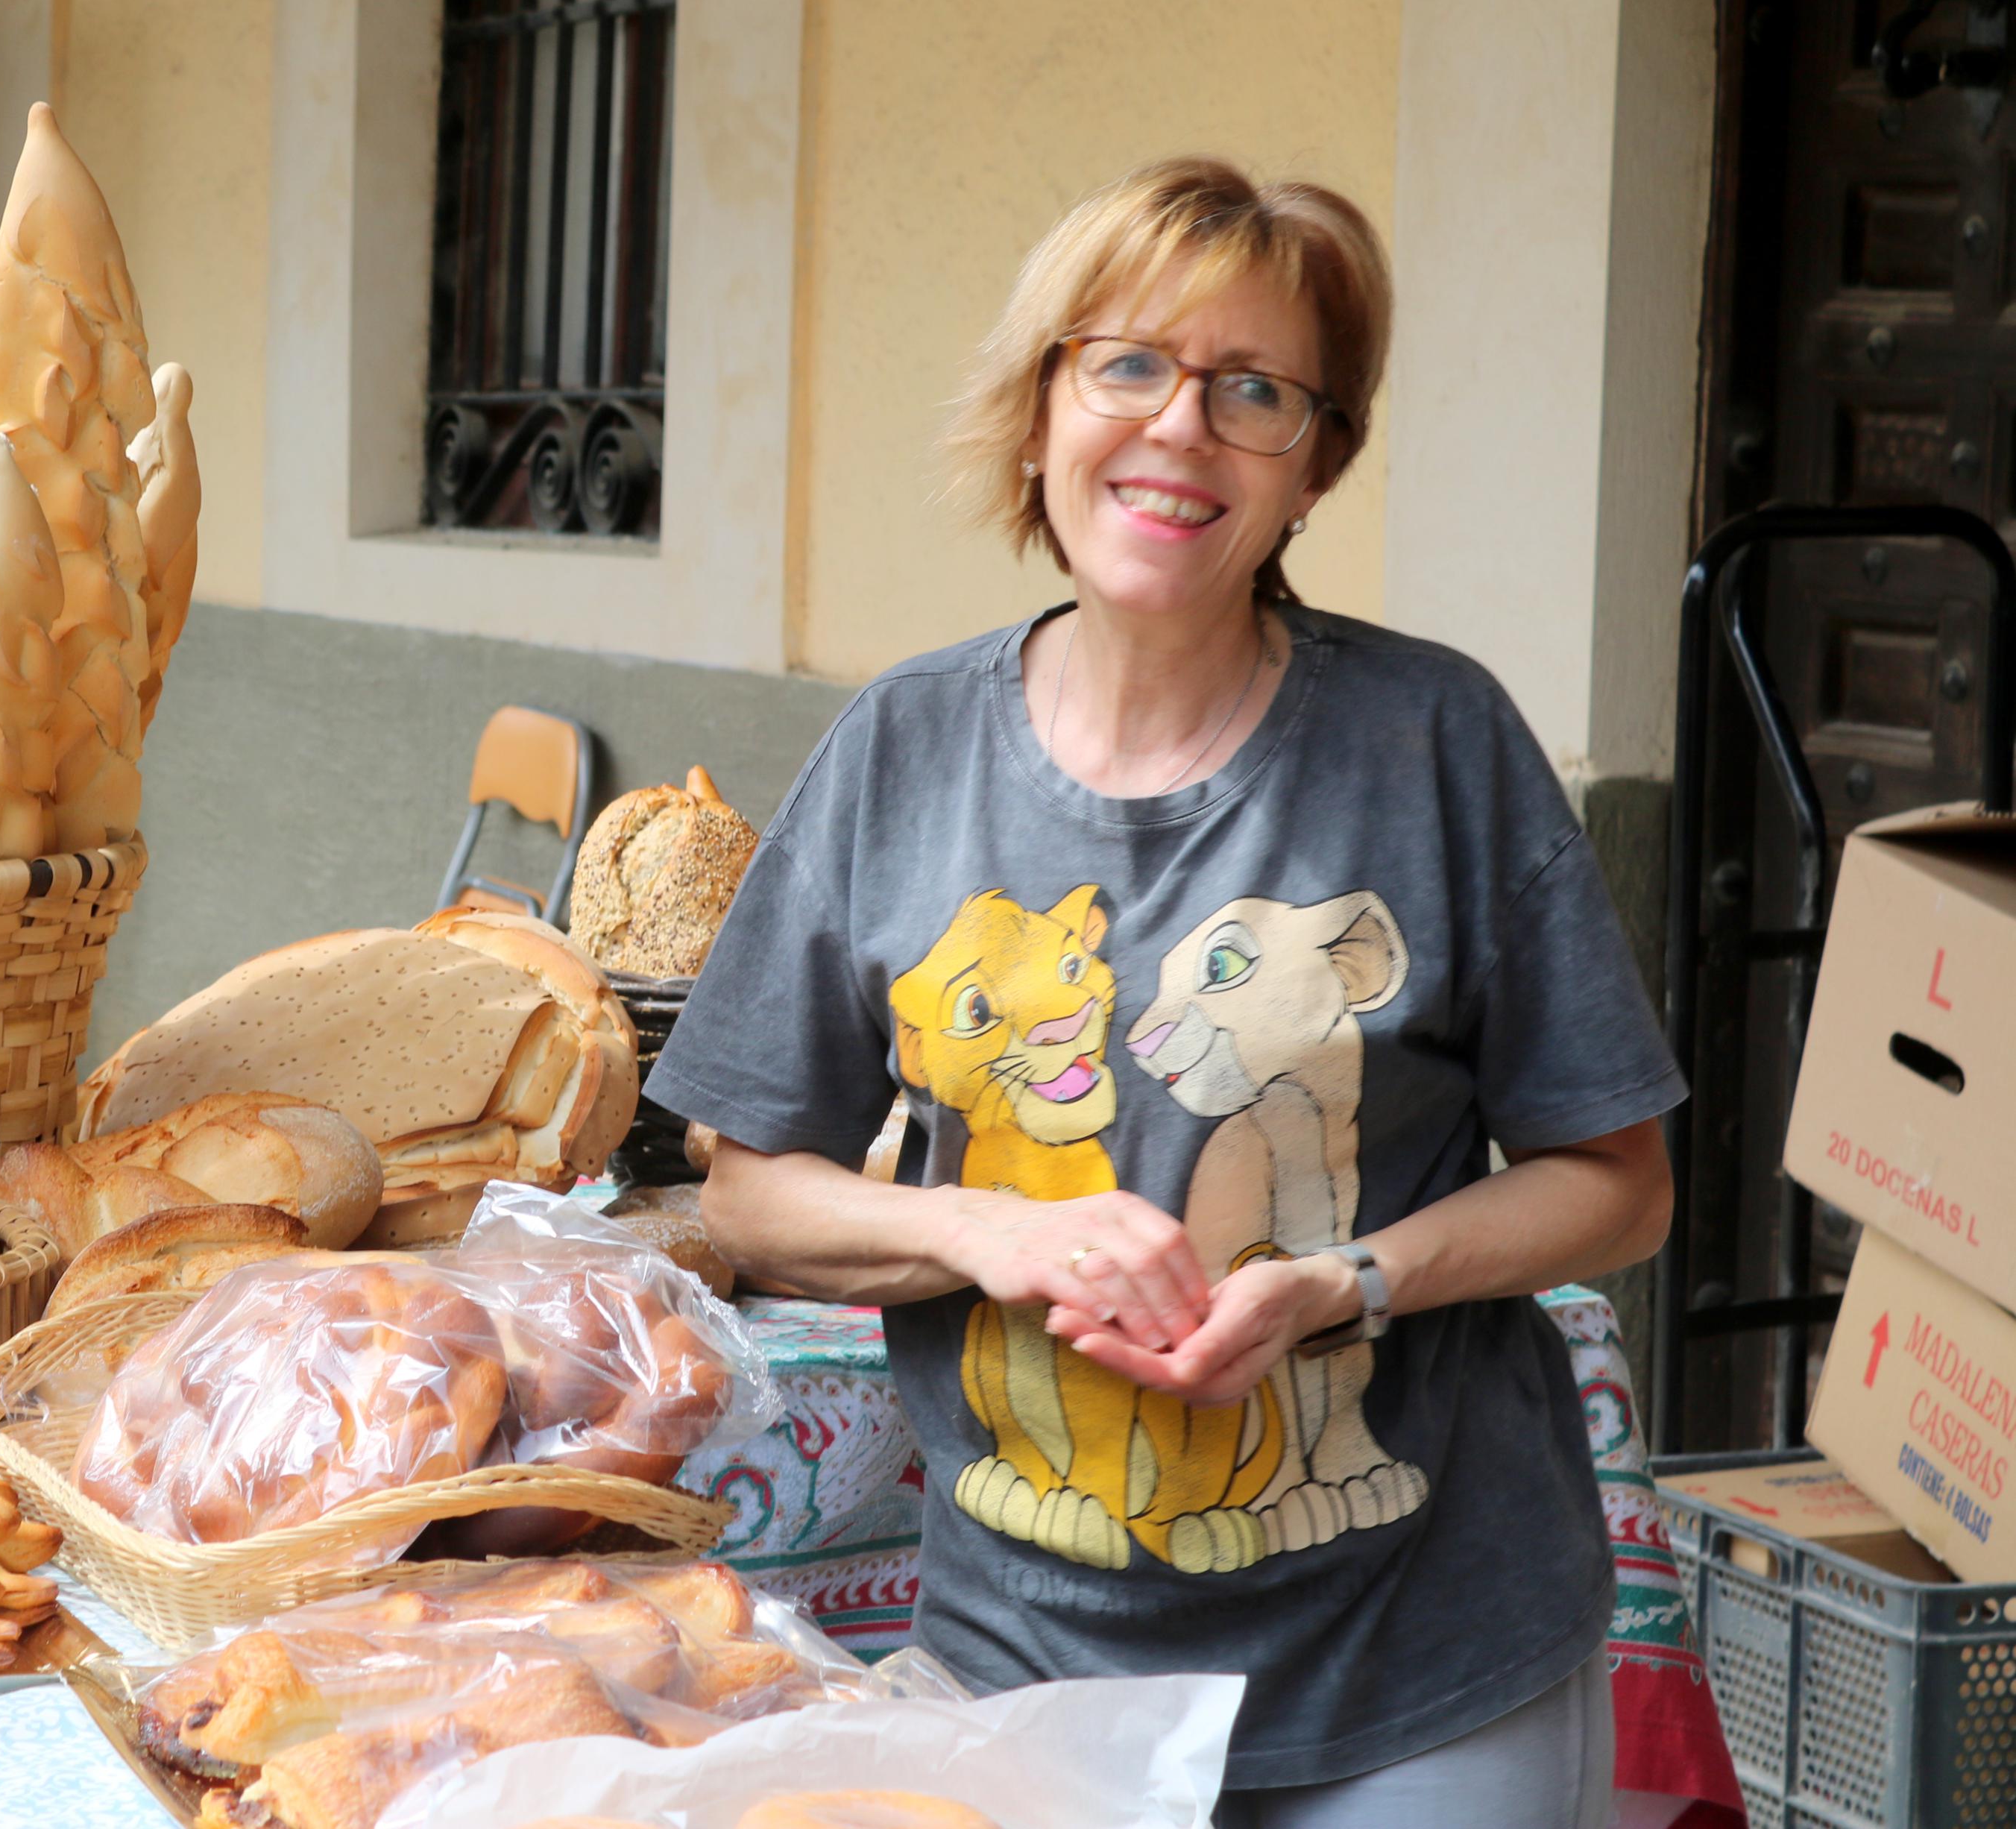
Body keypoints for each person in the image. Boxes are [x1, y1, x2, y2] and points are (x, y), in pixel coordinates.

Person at [650, 160, 1675, 1828]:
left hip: (1413, 1665)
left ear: (1311, 464)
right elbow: (749, 1189)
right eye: (1124, 363)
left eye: (1252, 392)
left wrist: (1345, 1280)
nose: (1178, 427)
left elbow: (1617, 1185)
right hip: (1021, 1666)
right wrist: (996, 1231)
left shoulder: (1433, 745)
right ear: (1039, 404)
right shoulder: (899, 750)